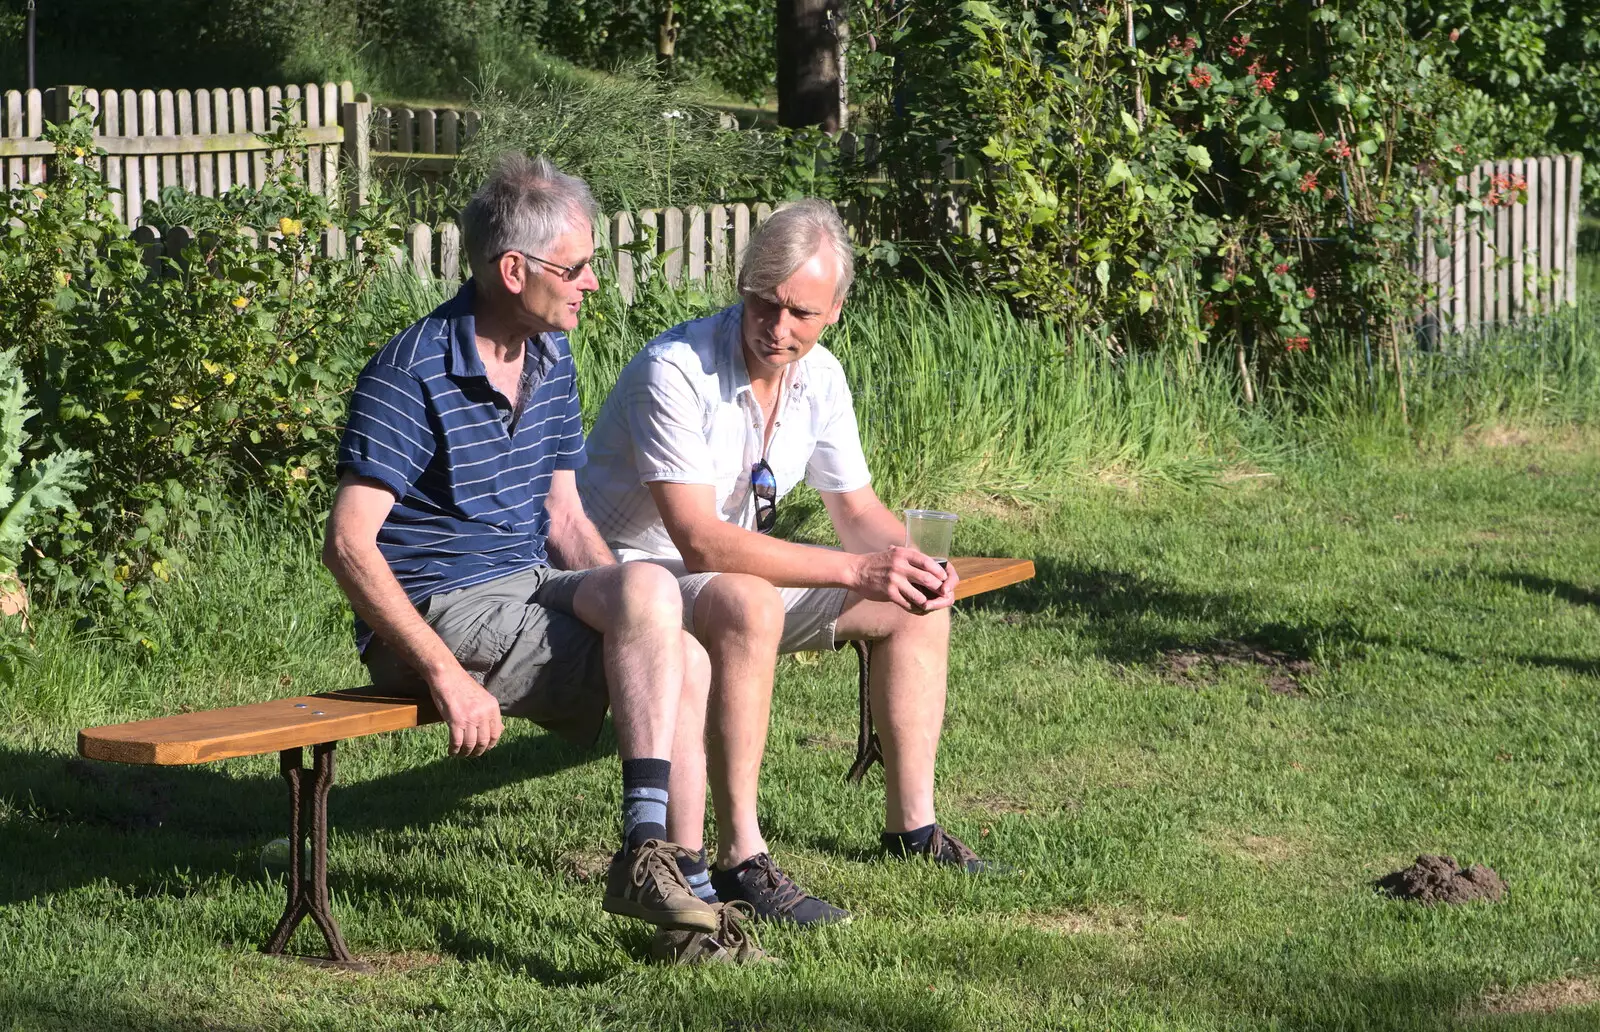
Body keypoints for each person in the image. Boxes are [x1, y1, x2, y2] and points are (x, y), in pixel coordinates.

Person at [323, 154, 766, 964]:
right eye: (577, 267)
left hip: (524, 588)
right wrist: (444, 675)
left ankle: (677, 885)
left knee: (682, 644)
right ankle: (661, 876)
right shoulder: (410, 370)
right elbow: (348, 545)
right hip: (433, 613)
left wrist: (637, 604)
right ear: (513, 268)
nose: (591, 282)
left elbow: (564, 516)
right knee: (675, 653)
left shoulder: (549, 358)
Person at [578, 198, 1004, 929]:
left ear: (835, 310)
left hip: (724, 573)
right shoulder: (674, 370)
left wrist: (912, 561)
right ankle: (741, 857)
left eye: (801, 314)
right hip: (628, 585)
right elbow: (699, 542)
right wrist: (851, 571)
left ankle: (913, 827)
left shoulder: (822, 378)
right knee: (750, 601)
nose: (778, 329)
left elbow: (857, 512)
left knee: (913, 602)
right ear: (742, 288)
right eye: (763, 304)